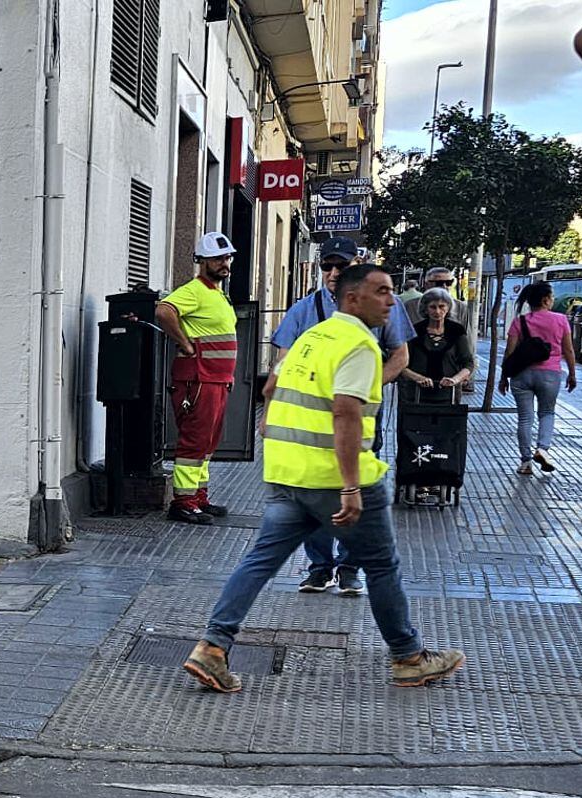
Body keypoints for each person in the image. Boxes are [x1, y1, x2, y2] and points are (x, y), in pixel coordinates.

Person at [182, 264, 464, 693]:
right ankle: (409, 658)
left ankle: (212, 647)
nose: (391, 301)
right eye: (381, 291)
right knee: (382, 565)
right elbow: (346, 413)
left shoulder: (311, 338)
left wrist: (275, 430)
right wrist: (350, 486)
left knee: (260, 561)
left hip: (289, 473)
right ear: (352, 298)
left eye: (391, 291)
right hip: (336, 479)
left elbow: (270, 388)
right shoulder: (359, 345)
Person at [264, 237, 413, 595]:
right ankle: (319, 568)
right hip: (310, 428)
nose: (332, 273)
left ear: (355, 267)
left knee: (355, 488)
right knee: (314, 493)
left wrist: (361, 388)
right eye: (326, 266)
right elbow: (282, 365)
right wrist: (269, 414)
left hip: (356, 421)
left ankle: (349, 567)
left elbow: (401, 356)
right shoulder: (304, 309)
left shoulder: (380, 304)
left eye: (341, 266)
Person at [155, 232, 239, 525]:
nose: (224, 263)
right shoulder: (194, 290)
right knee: (194, 442)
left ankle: (199, 497)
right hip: (199, 379)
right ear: (202, 261)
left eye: (227, 258)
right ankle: (183, 503)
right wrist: (186, 345)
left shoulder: (218, 294)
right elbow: (164, 311)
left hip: (215, 379)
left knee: (207, 443)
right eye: (217, 259)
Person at [499, 281, 577, 475]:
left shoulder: (519, 322)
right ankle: (542, 448)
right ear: (545, 300)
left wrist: (503, 377)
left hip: (521, 374)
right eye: (551, 297)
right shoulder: (560, 320)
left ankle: (526, 462)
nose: (552, 300)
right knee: (547, 413)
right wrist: (572, 374)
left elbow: (509, 352)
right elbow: (568, 350)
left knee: (525, 418)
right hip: (550, 374)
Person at [402, 288, 475, 402]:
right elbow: (401, 364)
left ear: (448, 308)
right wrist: (418, 378)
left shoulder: (457, 330)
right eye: (432, 307)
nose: (437, 311)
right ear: (425, 309)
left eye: (441, 306)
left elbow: (468, 363)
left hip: (449, 395)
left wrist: (455, 380)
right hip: (416, 395)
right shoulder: (414, 331)